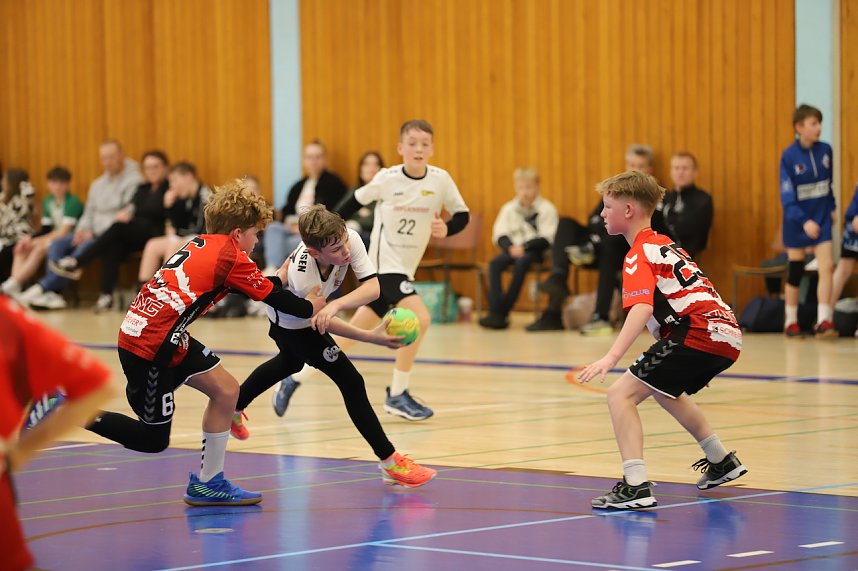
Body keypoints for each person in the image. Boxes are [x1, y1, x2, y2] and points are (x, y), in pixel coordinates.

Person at [84, 179, 325, 505]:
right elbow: (279, 301)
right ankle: (69, 411)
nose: (257, 240)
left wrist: (278, 279)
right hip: (151, 347)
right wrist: (313, 306)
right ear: (238, 233)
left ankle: (209, 482)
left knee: (227, 390)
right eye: (256, 233)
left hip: (163, 334)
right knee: (153, 439)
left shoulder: (204, 244)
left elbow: (255, 286)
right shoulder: (230, 257)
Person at [273, 120, 470, 421]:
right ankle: (398, 394)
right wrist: (323, 233)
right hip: (382, 265)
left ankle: (295, 376)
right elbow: (349, 205)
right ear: (400, 148)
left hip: (406, 267)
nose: (418, 149)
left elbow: (462, 214)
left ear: (432, 148)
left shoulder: (441, 180)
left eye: (424, 144)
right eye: (412, 143)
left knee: (353, 336)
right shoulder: (386, 178)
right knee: (421, 317)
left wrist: (448, 227)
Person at [230, 205, 437, 487]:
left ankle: (234, 407)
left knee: (289, 363)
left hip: (312, 312)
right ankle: (389, 461)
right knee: (351, 380)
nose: (345, 252)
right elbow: (317, 321)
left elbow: (373, 289)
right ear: (315, 253)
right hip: (292, 322)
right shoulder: (305, 275)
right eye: (336, 250)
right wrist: (369, 336)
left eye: (343, 242)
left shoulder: (348, 239)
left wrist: (336, 304)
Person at [578, 170, 746, 510]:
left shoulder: (639, 253)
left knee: (619, 395)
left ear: (628, 210)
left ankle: (635, 485)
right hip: (726, 332)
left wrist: (611, 357)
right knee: (662, 388)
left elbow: (640, 309)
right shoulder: (666, 245)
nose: (601, 214)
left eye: (607, 206)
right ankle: (721, 460)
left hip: (696, 330)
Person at [0, 294, 115, 571]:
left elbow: (99, 386)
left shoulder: (8, 318)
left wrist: (20, 453)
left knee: (153, 438)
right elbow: (100, 386)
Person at [528, 144, 662, 333]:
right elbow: (596, 219)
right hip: (597, 245)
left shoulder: (652, 197)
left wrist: (596, 241)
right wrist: (589, 242)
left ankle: (601, 317)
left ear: (650, 170)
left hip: (621, 251)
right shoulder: (615, 190)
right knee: (566, 223)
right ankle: (557, 280)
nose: (635, 170)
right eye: (631, 164)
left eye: (640, 166)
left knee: (611, 243)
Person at [26, 139, 143, 310]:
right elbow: (89, 211)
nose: (108, 162)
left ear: (122, 156)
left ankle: (44, 287)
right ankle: (54, 293)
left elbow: (125, 215)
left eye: (111, 157)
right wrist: (82, 229)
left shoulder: (135, 180)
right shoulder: (97, 184)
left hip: (108, 235)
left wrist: (93, 231)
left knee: (86, 248)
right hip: (90, 231)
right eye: (104, 158)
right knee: (56, 245)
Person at [49, 150, 171, 311]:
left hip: (156, 234)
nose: (152, 171)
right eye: (148, 168)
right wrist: (126, 213)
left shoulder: (169, 188)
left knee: (117, 227)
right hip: (137, 234)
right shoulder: (143, 188)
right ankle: (106, 296)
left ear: (165, 168)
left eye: (156, 167)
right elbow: (132, 208)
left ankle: (78, 261)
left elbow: (159, 212)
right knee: (113, 246)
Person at [780, 104, 837, 338]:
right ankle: (790, 321)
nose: (819, 128)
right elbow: (787, 196)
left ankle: (824, 320)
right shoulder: (789, 156)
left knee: (827, 267)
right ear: (799, 127)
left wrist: (831, 208)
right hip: (797, 221)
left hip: (821, 218)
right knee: (796, 270)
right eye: (813, 124)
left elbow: (828, 184)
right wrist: (803, 221)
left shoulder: (826, 151)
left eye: (819, 123)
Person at [479, 167, 558, 329]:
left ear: (537, 186)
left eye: (528, 187)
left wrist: (526, 247)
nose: (524, 192)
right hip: (512, 249)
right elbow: (499, 233)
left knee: (523, 263)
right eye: (521, 188)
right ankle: (496, 310)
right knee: (495, 264)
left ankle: (502, 310)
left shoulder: (546, 209)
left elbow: (547, 238)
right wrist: (510, 248)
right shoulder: (508, 209)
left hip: (535, 252)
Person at [263, 141, 347, 270]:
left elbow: (334, 215)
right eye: (309, 157)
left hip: (315, 234)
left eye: (317, 157)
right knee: (273, 228)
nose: (313, 161)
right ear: (304, 160)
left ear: (325, 159)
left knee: (282, 244)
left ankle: (276, 272)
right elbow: (287, 210)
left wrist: (304, 229)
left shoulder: (334, 184)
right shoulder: (299, 185)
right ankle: (272, 270)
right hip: (292, 229)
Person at [2, 167, 83, 300]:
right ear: (48, 184)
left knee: (39, 248)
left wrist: (36, 241)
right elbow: (45, 228)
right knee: (22, 247)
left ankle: (14, 282)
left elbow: (63, 232)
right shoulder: (48, 200)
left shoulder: (73, 202)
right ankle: (15, 284)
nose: (57, 187)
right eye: (54, 183)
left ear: (68, 184)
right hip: (52, 237)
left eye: (61, 183)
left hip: (69, 240)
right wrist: (30, 239)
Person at [136, 161, 210, 286]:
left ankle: (166, 289)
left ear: (188, 177)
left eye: (175, 180)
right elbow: (174, 226)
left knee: (174, 245)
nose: (172, 186)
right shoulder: (183, 198)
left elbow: (200, 229)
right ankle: (143, 293)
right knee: (152, 245)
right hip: (186, 238)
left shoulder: (205, 195)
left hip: (205, 240)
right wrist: (168, 207)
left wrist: (177, 232)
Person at [661, 152, 713, 259]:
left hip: (688, 257)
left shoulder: (702, 199)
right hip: (660, 254)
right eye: (676, 168)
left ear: (695, 172)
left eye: (685, 168)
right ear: (671, 172)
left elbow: (690, 231)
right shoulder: (663, 198)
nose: (680, 172)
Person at [339, 151, 385, 247]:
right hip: (346, 232)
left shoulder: (384, 193)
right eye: (367, 164)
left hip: (371, 237)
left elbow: (375, 220)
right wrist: (359, 212)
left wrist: (354, 219)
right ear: (361, 169)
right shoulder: (354, 190)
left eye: (376, 164)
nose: (371, 168)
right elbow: (337, 213)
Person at [829, 182, 858, 335]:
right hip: (854, 225)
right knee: (843, 269)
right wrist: (854, 216)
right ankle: (824, 318)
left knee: (843, 270)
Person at [0, 169, 35, 281]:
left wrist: (21, 181)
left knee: (4, 253)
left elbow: (30, 191)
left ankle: (6, 287)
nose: (2, 182)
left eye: (5, 180)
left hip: (19, 238)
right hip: (3, 237)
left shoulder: (23, 198)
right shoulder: (3, 198)